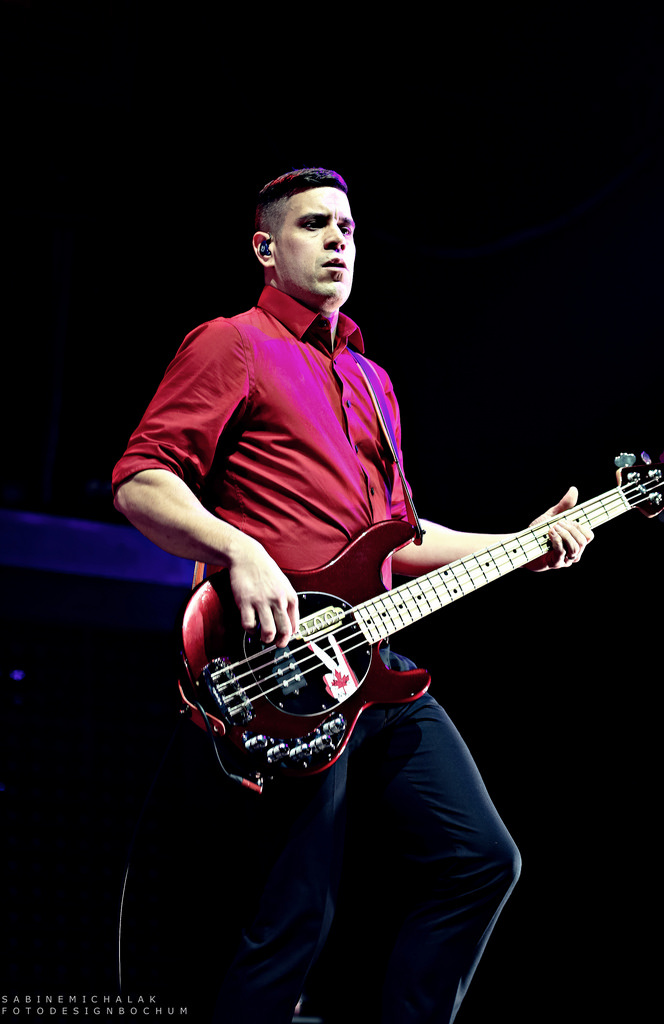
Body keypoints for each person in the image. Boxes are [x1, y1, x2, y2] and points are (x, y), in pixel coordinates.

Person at [112, 167, 593, 1023]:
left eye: (348, 226)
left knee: (480, 860)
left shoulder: (373, 383)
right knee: (292, 919)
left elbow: (397, 540)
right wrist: (239, 549)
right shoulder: (232, 343)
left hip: (370, 660)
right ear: (265, 248)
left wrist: (519, 547)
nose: (339, 239)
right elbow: (141, 481)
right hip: (279, 669)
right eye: (313, 225)